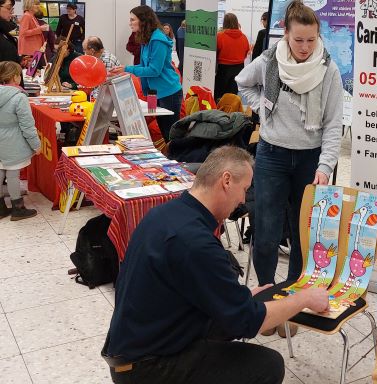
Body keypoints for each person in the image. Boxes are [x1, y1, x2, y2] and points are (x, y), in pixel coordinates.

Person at [102, 146, 330, 384]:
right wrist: (303, 299)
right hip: (146, 369)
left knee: (226, 322)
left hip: (133, 349)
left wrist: (244, 297)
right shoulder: (196, 242)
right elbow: (248, 322)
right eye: (244, 190)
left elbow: (194, 289)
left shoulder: (165, 214)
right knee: (268, 365)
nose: (243, 199)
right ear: (227, 181)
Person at [235, 0, 343, 297]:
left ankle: (294, 297)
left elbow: (334, 123)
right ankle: (268, 297)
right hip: (272, 155)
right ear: (286, 34)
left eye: (311, 40)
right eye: (298, 40)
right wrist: (262, 108)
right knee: (267, 229)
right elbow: (242, 83)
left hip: (310, 159)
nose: (305, 47)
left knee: (302, 233)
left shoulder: (328, 69)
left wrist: (325, 166)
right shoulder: (270, 61)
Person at [110, 5, 182, 142]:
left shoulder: (157, 39)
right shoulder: (146, 39)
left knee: (171, 136)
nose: (129, 23)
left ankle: (176, 161)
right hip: (153, 92)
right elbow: (144, 66)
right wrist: (123, 70)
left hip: (168, 92)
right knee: (164, 133)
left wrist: (127, 69)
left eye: (132, 20)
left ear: (143, 20)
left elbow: (154, 70)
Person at [0, 61, 40, 221]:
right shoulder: (19, 98)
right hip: (14, 141)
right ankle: (18, 207)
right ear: (15, 77)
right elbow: (27, 125)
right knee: (13, 173)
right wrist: (36, 145)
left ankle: (1, 208)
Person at [215, 13, 249, 101]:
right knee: (233, 95)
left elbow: (215, 53)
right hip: (239, 68)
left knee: (219, 94)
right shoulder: (244, 37)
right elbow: (246, 53)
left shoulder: (220, 36)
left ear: (224, 23)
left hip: (223, 69)